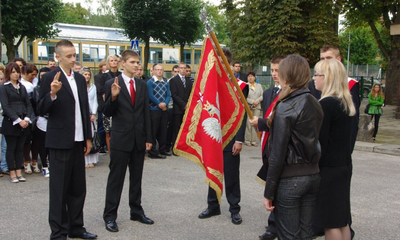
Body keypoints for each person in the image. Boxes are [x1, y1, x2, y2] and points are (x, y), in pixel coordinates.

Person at [37, 40, 97, 239]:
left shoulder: (80, 79)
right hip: (59, 141)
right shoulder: (49, 78)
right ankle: (58, 232)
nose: (73, 59)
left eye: (74, 55)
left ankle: (76, 228)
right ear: (58, 57)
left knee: (78, 188)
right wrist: (52, 93)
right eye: (69, 56)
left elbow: (83, 109)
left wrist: (88, 138)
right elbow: (41, 109)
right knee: (59, 190)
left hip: (79, 141)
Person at [262, 55, 323, 239]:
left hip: (291, 179)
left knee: (288, 236)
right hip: (312, 175)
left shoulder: (286, 106)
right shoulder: (314, 101)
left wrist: (268, 191)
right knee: (305, 234)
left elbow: (278, 153)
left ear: (286, 77)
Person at [103, 49, 154, 233]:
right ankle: (110, 217)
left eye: (138, 62)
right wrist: (114, 97)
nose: (136, 65)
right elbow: (107, 111)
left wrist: (148, 138)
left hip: (138, 139)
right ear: (123, 63)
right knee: (116, 179)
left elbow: (145, 113)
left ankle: (136, 211)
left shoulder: (141, 85)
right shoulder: (111, 83)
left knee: (136, 178)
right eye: (132, 62)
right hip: (120, 139)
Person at [198, 48, 248, 225]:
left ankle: (234, 209)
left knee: (232, 175)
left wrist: (240, 139)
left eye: (223, 62)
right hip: (214, 137)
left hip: (231, 137)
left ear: (228, 64)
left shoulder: (240, 85)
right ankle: (213, 206)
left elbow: (242, 115)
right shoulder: (210, 84)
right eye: (217, 61)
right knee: (212, 170)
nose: (220, 65)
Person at [312, 59, 356, 240]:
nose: (313, 78)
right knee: (341, 220)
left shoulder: (326, 105)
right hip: (344, 166)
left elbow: (319, 143)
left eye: (317, 74)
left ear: (327, 78)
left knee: (330, 223)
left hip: (328, 170)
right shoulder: (346, 103)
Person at [249, 55, 285, 240]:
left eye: (278, 70)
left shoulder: (293, 92)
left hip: (285, 147)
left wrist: (261, 122)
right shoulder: (270, 92)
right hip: (270, 145)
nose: (274, 74)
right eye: (272, 70)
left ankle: (279, 225)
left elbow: (281, 121)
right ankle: (273, 224)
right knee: (273, 184)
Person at [309, 45, 360, 153]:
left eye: (328, 58)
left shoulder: (350, 84)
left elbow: (352, 121)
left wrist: (348, 149)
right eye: (322, 59)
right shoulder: (313, 84)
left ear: (338, 59)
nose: (325, 62)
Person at [0, 62, 34, 183]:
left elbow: (28, 104)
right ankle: (12, 173)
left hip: (24, 121)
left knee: (20, 148)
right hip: (11, 122)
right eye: (13, 72)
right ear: (8, 73)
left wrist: (27, 119)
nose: (15, 74)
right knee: (11, 148)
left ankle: (19, 172)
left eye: (17, 71)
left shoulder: (22, 87)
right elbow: (6, 106)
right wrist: (18, 120)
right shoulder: (4, 87)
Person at [20, 64, 41, 174]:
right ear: (25, 73)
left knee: (36, 140)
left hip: (37, 114)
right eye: (31, 75)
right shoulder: (22, 85)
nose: (33, 77)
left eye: (35, 75)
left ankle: (34, 161)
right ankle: (26, 161)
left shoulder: (35, 82)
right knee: (27, 140)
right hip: (27, 114)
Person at [32, 67, 52, 177]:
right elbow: (37, 105)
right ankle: (44, 165)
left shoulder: (56, 87)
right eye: (42, 75)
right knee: (42, 144)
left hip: (54, 119)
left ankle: (50, 163)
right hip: (42, 119)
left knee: (52, 144)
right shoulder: (37, 89)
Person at [147, 64, 171, 159]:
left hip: (164, 110)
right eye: (157, 69)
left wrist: (165, 103)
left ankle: (162, 150)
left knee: (163, 131)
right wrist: (160, 104)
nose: (159, 71)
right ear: (153, 70)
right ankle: (153, 152)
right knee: (153, 131)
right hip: (154, 110)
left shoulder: (166, 82)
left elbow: (168, 95)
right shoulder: (150, 82)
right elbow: (150, 96)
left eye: (161, 70)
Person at [100, 55, 122, 155]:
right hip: (108, 104)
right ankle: (110, 152)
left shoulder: (122, 75)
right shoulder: (103, 76)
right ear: (108, 63)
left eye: (115, 61)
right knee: (108, 131)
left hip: (120, 106)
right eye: (111, 61)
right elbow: (102, 93)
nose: (114, 62)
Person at [169, 62, 193, 153]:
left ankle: (184, 147)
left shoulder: (189, 80)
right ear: (178, 69)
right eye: (181, 68)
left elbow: (191, 94)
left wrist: (188, 104)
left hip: (187, 109)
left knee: (185, 129)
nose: (183, 70)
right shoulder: (173, 80)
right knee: (176, 129)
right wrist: (183, 105)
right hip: (178, 109)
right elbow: (174, 95)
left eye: (185, 68)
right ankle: (175, 148)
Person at [82, 68, 99, 167]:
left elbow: (95, 101)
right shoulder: (79, 86)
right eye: (85, 74)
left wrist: (93, 114)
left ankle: (91, 159)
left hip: (91, 115)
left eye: (88, 74)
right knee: (84, 136)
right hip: (83, 114)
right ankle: (84, 159)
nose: (87, 76)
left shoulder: (93, 87)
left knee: (92, 135)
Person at [245, 71, 263, 147]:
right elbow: (244, 97)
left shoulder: (259, 86)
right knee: (249, 124)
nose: (250, 77)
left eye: (252, 76)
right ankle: (247, 140)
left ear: (254, 77)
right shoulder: (245, 85)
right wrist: (252, 101)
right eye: (249, 76)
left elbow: (262, 95)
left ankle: (254, 141)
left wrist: (257, 101)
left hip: (257, 107)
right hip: (249, 106)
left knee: (256, 124)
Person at [94, 59, 107, 153]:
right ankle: (100, 145)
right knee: (101, 126)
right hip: (101, 104)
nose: (106, 66)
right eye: (104, 65)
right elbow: (99, 89)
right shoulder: (98, 76)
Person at [165, 65, 179, 154]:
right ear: (172, 72)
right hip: (170, 107)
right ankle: (167, 146)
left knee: (176, 128)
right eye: (175, 71)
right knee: (170, 128)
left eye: (178, 71)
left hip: (178, 108)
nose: (177, 73)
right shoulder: (170, 81)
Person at [0, 70, 8, 176]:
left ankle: (4, 166)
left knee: (5, 146)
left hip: (4, 121)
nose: (0, 81)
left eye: (2, 79)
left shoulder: (5, 90)